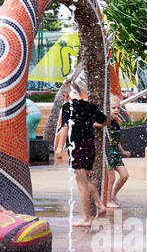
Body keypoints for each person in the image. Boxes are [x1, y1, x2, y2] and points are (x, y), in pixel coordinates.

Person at [54, 84, 106, 227]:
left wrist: (59, 148)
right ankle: (100, 206)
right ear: (79, 92)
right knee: (85, 180)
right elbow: (105, 119)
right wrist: (98, 125)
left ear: (65, 95)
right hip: (90, 145)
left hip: (77, 147)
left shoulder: (67, 107)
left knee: (81, 184)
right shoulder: (89, 105)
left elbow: (65, 128)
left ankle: (86, 219)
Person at [104, 102, 131, 208]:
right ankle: (107, 200)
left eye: (118, 108)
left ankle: (113, 195)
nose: (116, 110)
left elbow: (116, 139)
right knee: (111, 178)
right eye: (113, 108)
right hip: (107, 153)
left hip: (115, 153)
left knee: (124, 176)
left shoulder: (116, 123)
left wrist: (122, 150)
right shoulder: (105, 123)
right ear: (107, 108)